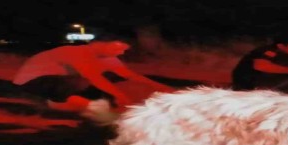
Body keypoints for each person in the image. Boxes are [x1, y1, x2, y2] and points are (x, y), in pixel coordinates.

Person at [12, 39, 175, 112]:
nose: (121, 52)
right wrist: (121, 97)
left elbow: (131, 76)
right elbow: (94, 78)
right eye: (117, 48)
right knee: (84, 81)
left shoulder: (109, 57)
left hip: (57, 80)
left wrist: (164, 88)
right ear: (99, 45)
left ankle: (82, 105)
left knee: (106, 87)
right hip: (31, 82)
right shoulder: (78, 52)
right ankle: (53, 104)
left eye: (123, 49)